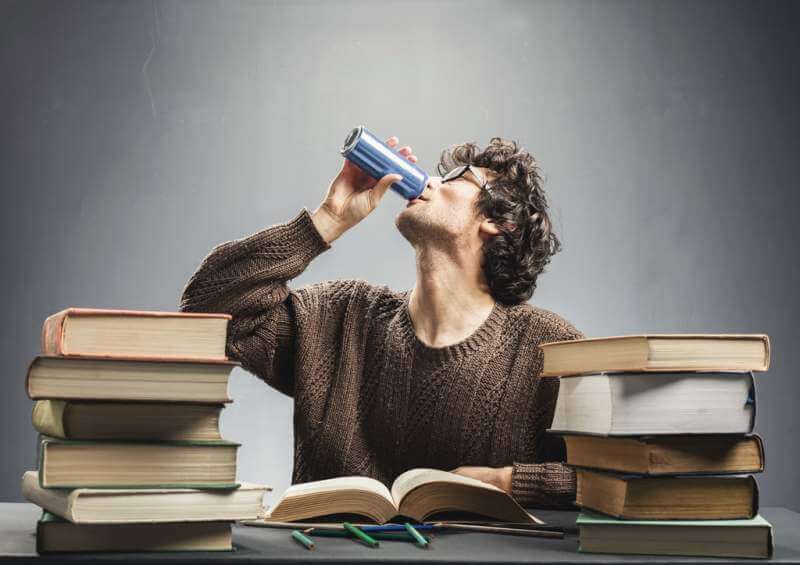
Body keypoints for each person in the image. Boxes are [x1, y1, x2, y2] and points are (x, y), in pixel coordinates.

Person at [180, 135, 583, 508]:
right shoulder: (342, 315)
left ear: (499, 221)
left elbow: (628, 479)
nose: (428, 182)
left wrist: (507, 482)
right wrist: (327, 220)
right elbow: (207, 306)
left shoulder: (549, 347)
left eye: (457, 178)